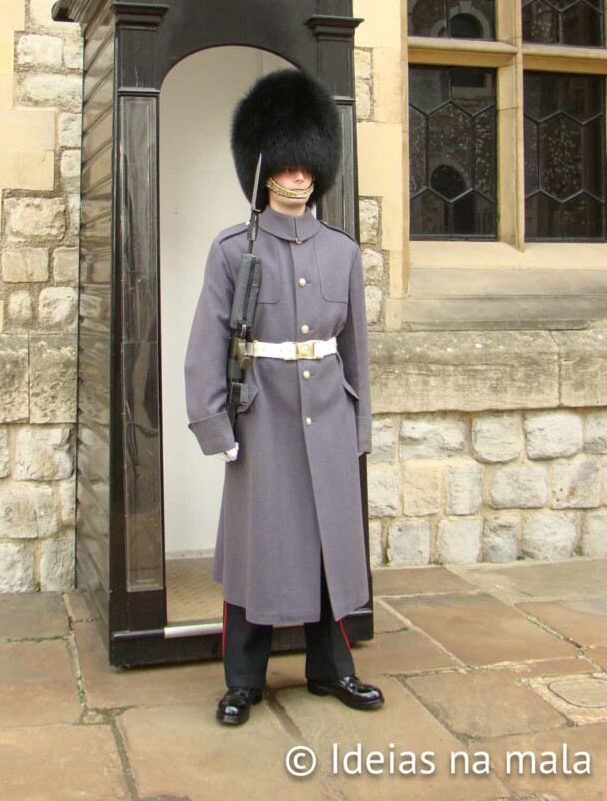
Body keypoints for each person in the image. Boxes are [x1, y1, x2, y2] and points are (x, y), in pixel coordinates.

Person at [184, 68, 384, 726]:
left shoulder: (343, 253)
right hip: (261, 419)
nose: (299, 177)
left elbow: (353, 349)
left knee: (330, 548)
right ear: (264, 167)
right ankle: (243, 680)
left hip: (327, 416)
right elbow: (204, 348)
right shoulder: (232, 251)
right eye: (287, 164)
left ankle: (333, 668)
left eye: (308, 166)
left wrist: (360, 426)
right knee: (256, 553)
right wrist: (216, 426)